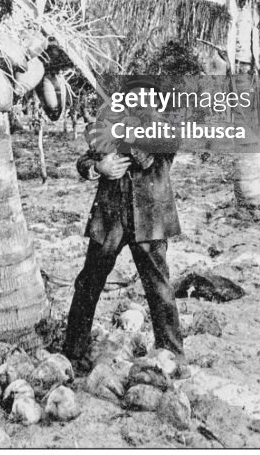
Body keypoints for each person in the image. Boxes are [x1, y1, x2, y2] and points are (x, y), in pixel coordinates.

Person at [63, 125, 188, 376]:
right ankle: (73, 352)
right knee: (89, 281)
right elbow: (86, 159)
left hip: (148, 216)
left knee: (159, 286)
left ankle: (173, 354)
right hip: (110, 215)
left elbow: (147, 157)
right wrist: (99, 167)